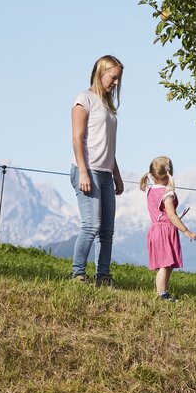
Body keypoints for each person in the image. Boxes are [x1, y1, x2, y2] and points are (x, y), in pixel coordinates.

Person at [69, 54, 125, 285]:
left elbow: (106, 143)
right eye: (113, 78)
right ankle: (78, 274)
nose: (116, 83)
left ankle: (103, 275)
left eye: (119, 79)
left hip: (105, 172)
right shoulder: (84, 99)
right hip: (87, 170)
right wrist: (83, 171)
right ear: (101, 73)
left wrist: (116, 174)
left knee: (107, 230)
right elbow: (77, 138)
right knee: (91, 225)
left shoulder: (109, 105)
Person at [141, 156, 196, 301]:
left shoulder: (150, 190)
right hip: (165, 231)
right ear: (169, 173)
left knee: (166, 264)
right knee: (165, 264)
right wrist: (186, 231)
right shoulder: (167, 193)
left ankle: (163, 291)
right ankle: (162, 293)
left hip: (155, 229)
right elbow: (172, 215)